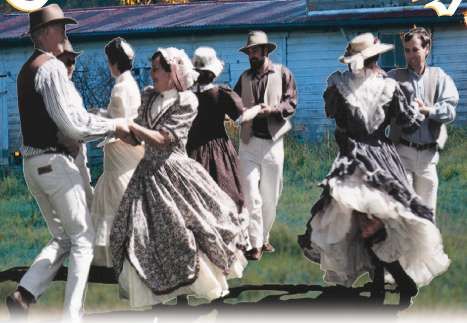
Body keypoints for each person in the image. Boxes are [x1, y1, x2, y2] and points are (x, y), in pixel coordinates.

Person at [298, 33, 450, 306]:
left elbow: (337, 120)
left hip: (358, 160)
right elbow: (409, 122)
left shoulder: (342, 85)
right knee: (368, 224)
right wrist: (416, 109)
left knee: (368, 225)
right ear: (376, 57)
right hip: (378, 158)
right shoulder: (387, 86)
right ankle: (391, 284)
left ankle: (389, 285)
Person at [6, 4, 130, 321]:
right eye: (61, 27)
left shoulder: (26, 69)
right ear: (45, 33)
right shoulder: (50, 69)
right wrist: (115, 125)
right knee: (83, 240)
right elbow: (74, 126)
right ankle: (72, 316)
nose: (65, 33)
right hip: (55, 165)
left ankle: (23, 295)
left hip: (35, 166)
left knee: (64, 238)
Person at [110, 47, 247, 308]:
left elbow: (164, 139)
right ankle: (159, 297)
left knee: (182, 231)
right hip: (147, 172)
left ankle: (184, 296)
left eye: (155, 70)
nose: (151, 75)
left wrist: (132, 125)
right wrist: (114, 127)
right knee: (139, 234)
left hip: (174, 171)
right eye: (151, 69)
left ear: (172, 72)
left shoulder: (187, 101)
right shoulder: (149, 96)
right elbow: (135, 137)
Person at [234, 30, 297, 260]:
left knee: (271, 196)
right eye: (249, 51)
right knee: (251, 195)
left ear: (265, 51)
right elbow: (235, 104)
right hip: (248, 143)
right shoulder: (243, 78)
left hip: (273, 142)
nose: (251, 54)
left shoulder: (282, 73)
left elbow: (291, 102)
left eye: (254, 51)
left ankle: (265, 236)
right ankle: (255, 244)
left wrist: (275, 110)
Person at [388, 27, 458, 217]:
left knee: (427, 217)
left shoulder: (440, 76)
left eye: (415, 49)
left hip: (428, 157)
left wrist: (429, 110)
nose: (410, 55)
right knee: (403, 213)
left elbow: (451, 112)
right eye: (407, 50)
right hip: (402, 153)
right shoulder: (393, 77)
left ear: (427, 49)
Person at [188, 46, 250, 248]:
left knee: (197, 197)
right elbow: (241, 117)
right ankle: (230, 240)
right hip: (218, 148)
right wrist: (258, 109)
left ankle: (202, 241)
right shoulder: (220, 93)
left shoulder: (186, 96)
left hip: (192, 150)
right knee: (229, 193)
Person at [91, 37, 144, 267]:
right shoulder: (131, 83)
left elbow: (119, 123)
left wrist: (98, 118)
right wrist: (102, 113)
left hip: (120, 146)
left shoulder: (120, 88)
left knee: (116, 195)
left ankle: (120, 254)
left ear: (113, 62)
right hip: (131, 147)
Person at [56, 39, 94, 208]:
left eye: (73, 61)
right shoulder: (56, 87)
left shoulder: (69, 86)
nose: (71, 65)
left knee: (87, 199)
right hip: (67, 151)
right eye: (67, 61)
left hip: (78, 149)